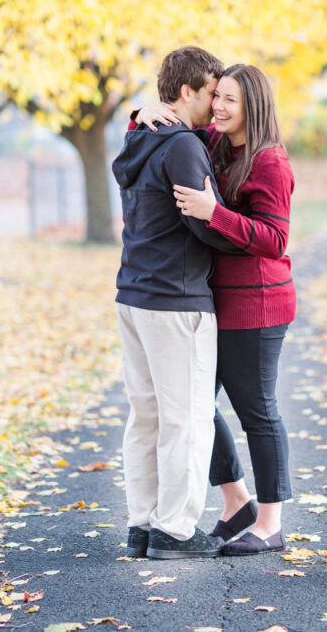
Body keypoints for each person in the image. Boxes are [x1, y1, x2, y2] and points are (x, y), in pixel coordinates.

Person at [135, 64, 296, 555]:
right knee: (195, 407)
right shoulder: (214, 142)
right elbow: (156, 132)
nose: (219, 107)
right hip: (215, 299)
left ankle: (269, 524)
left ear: (253, 106)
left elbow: (275, 239)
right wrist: (140, 111)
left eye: (231, 100)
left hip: (259, 303)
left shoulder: (270, 161)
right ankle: (235, 502)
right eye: (217, 96)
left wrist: (214, 213)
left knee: (257, 412)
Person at [111, 46, 237, 560]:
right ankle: (176, 531)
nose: (215, 103)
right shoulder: (183, 145)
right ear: (186, 92)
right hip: (176, 299)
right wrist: (248, 233)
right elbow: (207, 224)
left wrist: (139, 111)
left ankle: (142, 525)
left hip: (134, 295)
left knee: (147, 416)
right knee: (185, 418)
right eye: (211, 92)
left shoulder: (139, 135)